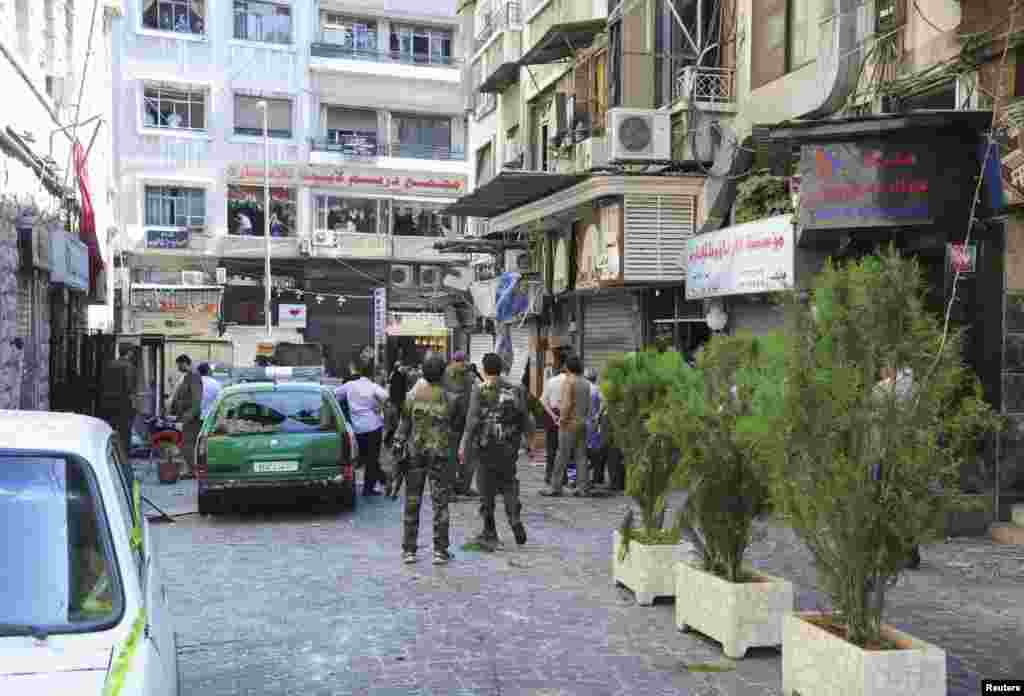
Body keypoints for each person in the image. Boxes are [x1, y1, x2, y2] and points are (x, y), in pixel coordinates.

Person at [460, 352, 533, 551]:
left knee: (486, 488)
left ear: (484, 369)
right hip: (509, 447)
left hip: (486, 447)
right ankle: (514, 517)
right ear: (501, 368)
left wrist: (464, 444)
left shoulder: (480, 389)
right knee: (509, 483)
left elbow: (472, 420)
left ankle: (489, 531)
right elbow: (525, 417)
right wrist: (529, 441)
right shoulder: (516, 388)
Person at [392, 354, 457, 565]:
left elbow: (403, 427)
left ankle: (409, 550)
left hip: (415, 454)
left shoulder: (412, 396)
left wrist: (398, 449)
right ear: (442, 374)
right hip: (440, 455)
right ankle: (440, 551)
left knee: (412, 502)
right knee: (440, 504)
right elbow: (455, 426)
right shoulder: (450, 398)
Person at [336, 361, 389, 496]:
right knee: (372, 458)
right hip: (373, 425)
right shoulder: (372, 386)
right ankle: (369, 487)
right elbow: (385, 396)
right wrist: (377, 405)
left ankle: (381, 480)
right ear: (371, 375)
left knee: (364, 457)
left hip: (358, 427)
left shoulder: (350, 386)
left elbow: (335, 394)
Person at [542, 355, 592, 497]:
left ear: (568, 367)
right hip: (582, 422)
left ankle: (555, 487)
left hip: (569, 423)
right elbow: (587, 404)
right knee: (581, 456)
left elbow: (567, 404)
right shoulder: (586, 383)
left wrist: (561, 420)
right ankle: (583, 488)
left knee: (561, 455)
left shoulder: (569, 382)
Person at [98, 345, 139, 468]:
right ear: (129, 352)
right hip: (123, 403)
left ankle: (109, 457)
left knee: (110, 431)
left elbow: (102, 383)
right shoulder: (129, 366)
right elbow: (129, 386)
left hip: (107, 403)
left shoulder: (109, 365)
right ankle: (124, 461)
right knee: (125, 433)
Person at [445, 351, 478, 497]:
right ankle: (450, 489)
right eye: (460, 361)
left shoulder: (469, 376)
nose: (463, 364)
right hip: (451, 422)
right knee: (451, 458)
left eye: (464, 361)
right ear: (453, 362)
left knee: (469, 457)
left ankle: (464, 486)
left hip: (467, 421)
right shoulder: (445, 375)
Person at [168, 354, 203, 479]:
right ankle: (191, 470)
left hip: (191, 418)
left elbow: (196, 402)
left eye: (179, 365)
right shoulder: (188, 376)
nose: (178, 367)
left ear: (185, 363)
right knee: (185, 445)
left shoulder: (193, 377)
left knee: (187, 445)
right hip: (185, 417)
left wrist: (186, 419)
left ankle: (193, 471)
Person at [541, 359, 568, 486]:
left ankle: (549, 476)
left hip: (552, 418)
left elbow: (543, 401)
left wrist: (553, 416)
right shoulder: (570, 381)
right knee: (564, 449)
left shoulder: (551, 381)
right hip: (566, 417)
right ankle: (563, 478)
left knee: (551, 449)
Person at [584, 367, 607, 486]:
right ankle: (597, 475)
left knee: (581, 450)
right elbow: (604, 402)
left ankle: (581, 476)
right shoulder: (597, 389)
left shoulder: (582, 388)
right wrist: (598, 415)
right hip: (593, 423)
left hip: (582, 422)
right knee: (595, 449)